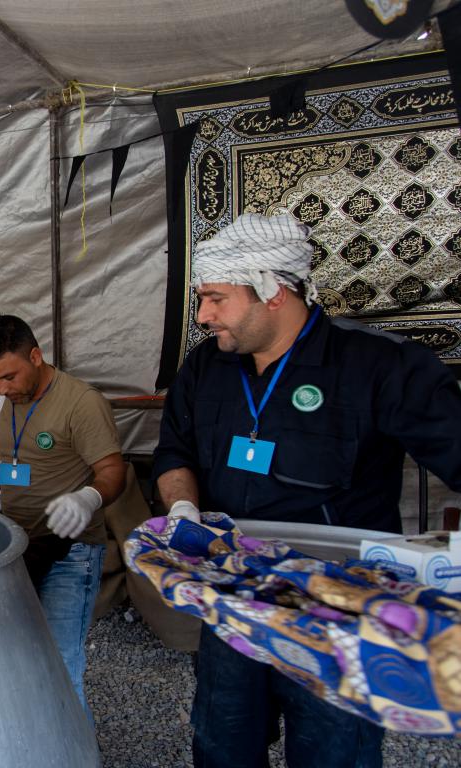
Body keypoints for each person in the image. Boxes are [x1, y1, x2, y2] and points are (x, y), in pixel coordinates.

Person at [153, 213, 461, 768]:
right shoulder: (206, 367)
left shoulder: (377, 365)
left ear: (272, 291)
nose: (203, 316)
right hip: (234, 595)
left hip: (336, 610)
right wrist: (182, 507)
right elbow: (175, 451)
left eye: (217, 298)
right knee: (223, 741)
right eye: (202, 299)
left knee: (332, 751)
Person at [0, 314, 126, 722]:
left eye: (9, 376)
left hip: (70, 551)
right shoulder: (0, 396)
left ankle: (72, 749)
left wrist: (88, 498)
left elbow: (113, 472)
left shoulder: (82, 402)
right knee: (17, 651)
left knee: (59, 661)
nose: (2, 388)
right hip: (16, 545)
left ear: (35, 356)